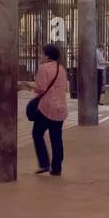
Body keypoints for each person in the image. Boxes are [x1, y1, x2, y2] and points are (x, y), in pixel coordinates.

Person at [25, 44, 68, 177]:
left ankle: (44, 163)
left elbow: (41, 88)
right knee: (56, 138)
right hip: (60, 108)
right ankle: (57, 168)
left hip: (46, 108)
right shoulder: (61, 69)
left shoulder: (43, 68)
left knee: (37, 133)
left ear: (47, 55)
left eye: (42, 54)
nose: (41, 56)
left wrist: (27, 86)